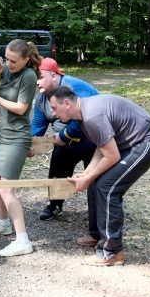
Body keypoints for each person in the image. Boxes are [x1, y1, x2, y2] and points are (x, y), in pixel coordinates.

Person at [49, 88, 150, 266]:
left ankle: (112, 251)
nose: (52, 113)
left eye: (54, 108)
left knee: (108, 187)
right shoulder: (82, 117)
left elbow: (112, 156)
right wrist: (88, 173)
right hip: (127, 143)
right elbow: (101, 146)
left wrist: (87, 179)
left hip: (147, 141)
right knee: (97, 180)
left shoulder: (92, 116)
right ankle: (98, 235)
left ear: (67, 103)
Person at [0, 39, 41, 257]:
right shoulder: (6, 70)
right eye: (6, 59)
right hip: (3, 135)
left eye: (13, 61)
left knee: (6, 189)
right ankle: (3, 224)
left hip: (18, 138)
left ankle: (23, 240)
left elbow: (21, 108)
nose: (9, 63)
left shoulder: (29, 76)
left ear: (25, 59)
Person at [31, 57, 99, 221]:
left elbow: (83, 117)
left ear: (54, 76)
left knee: (97, 179)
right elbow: (38, 124)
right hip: (66, 143)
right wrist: (32, 143)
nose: (37, 82)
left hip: (93, 141)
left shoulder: (74, 87)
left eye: (41, 77)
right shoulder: (42, 98)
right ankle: (55, 205)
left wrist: (62, 136)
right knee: (56, 173)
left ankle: (99, 212)